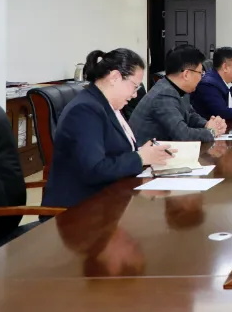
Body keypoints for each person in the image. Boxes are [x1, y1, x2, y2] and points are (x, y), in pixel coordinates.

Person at [43, 48, 174, 209]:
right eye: (135, 86)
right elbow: (94, 169)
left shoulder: (108, 106)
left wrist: (144, 152)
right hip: (80, 209)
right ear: (115, 77)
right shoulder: (85, 110)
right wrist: (140, 158)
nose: (135, 94)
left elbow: (112, 151)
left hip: (109, 198)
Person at [128, 44, 227, 146]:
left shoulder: (176, 88)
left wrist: (207, 124)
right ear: (186, 74)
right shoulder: (164, 94)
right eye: (200, 73)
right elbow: (183, 135)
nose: (202, 78)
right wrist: (211, 132)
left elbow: (190, 115)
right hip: (146, 154)